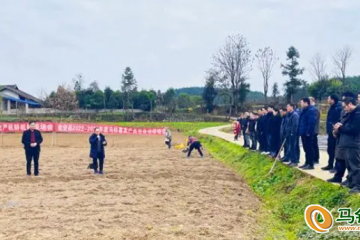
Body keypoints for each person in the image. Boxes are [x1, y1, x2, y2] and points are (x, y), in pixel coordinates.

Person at [333, 97, 360, 194]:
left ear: (350, 104)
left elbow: (353, 130)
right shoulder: (349, 114)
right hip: (346, 143)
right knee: (349, 166)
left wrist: (340, 128)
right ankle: (351, 182)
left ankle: (357, 186)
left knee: (355, 166)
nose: (344, 109)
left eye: (345, 106)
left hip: (353, 144)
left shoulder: (357, 115)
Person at [327, 92, 355, 184]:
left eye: (345, 100)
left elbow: (351, 127)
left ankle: (350, 180)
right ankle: (338, 176)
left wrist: (340, 127)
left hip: (351, 140)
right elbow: (341, 121)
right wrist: (336, 130)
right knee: (339, 158)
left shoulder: (355, 113)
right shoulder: (344, 111)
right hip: (341, 138)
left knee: (351, 162)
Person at [323, 95, 342, 171]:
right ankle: (330, 164)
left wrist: (335, 129)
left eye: (328, 98)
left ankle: (336, 167)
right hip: (330, 131)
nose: (327, 100)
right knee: (330, 149)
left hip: (335, 132)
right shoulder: (332, 107)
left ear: (333, 100)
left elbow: (338, 120)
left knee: (335, 150)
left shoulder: (338, 108)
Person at [299, 98, 317, 170]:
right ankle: (307, 162)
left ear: (306, 103)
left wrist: (308, 132)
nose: (301, 104)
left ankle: (311, 164)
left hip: (308, 133)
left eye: (302, 102)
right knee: (306, 148)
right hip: (303, 132)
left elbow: (311, 122)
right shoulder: (304, 110)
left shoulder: (311, 110)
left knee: (309, 148)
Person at [310, 97, 320, 164]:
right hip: (311, 130)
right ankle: (313, 158)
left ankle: (315, 158)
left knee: (314, 144)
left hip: (314, 130)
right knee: (311, 144)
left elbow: (314, 120)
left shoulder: (315, 109)